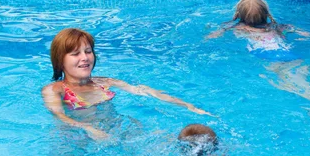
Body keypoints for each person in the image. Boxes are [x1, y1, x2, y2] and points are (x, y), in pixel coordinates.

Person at [42, 28, 211, 140]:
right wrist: (87, 128)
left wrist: (187, 105)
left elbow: (144, 91)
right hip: (79, 140)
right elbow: (59, 115)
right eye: (75, 54)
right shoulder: (55, 90)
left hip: (115, 133)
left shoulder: (105, 82)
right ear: (60, 60)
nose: (85, 58)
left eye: (88, 51)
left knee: (163, 137)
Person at [207, 0, 310, 110]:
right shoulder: (277, 26)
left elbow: (213, 36)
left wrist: (210, 33)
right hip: (290, 55)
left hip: (269, 57)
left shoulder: (238, 28)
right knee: (301, 78)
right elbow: (305, 34)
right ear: (266, 14)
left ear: (238, 15)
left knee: (287, 84)